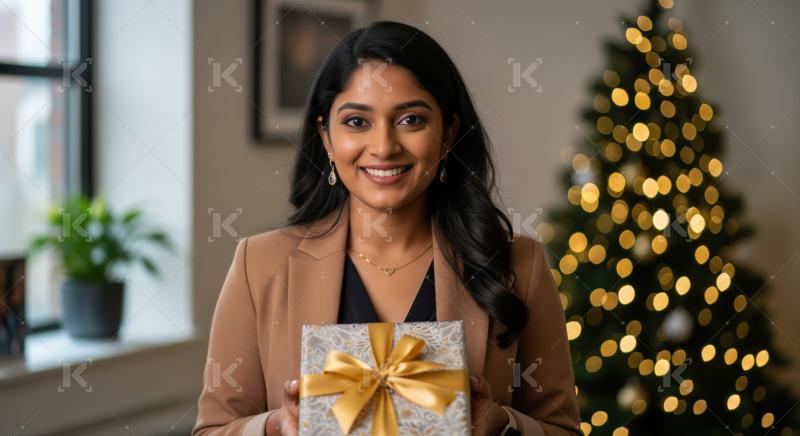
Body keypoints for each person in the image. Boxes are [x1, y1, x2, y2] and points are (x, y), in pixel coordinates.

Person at [192, 20, 581, 436]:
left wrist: (502, 425)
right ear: (326, 135)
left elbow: (561, 429)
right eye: (357, 122)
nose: (383, 147)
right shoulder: (260, 265)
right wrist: (275, 426)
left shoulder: (518, 263)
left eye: (411, 120)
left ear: (448, 132)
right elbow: (213, 430)